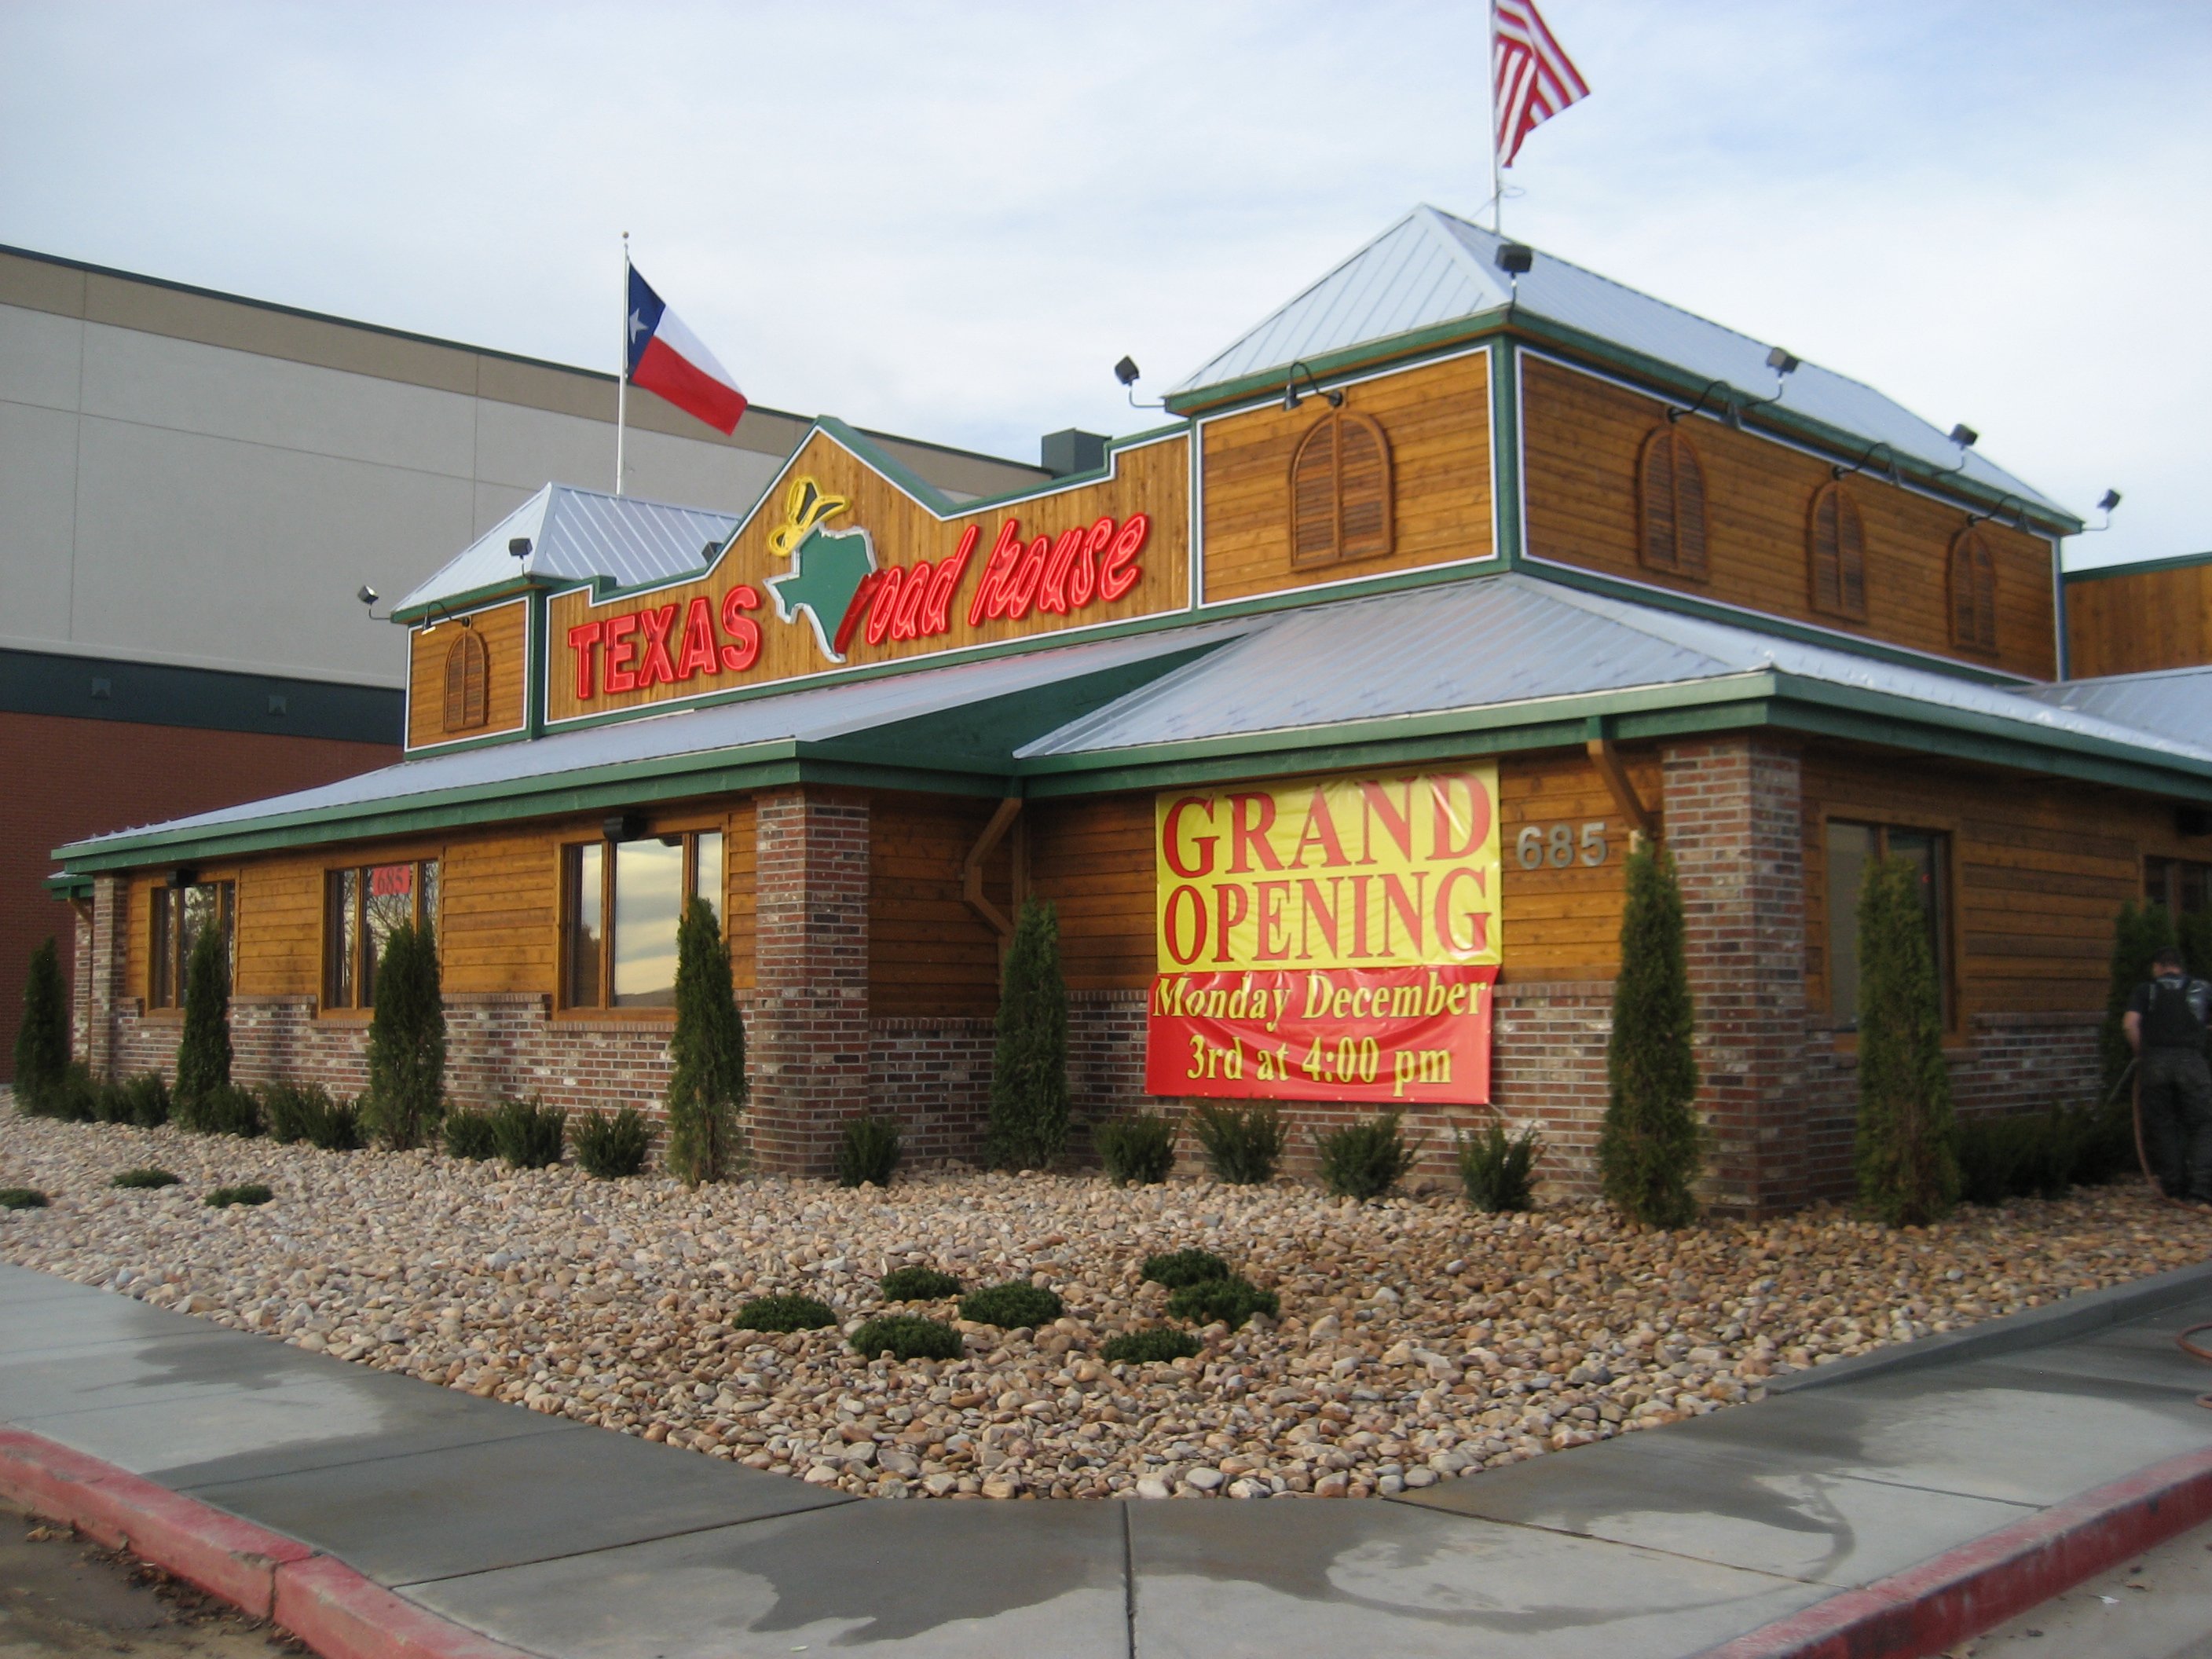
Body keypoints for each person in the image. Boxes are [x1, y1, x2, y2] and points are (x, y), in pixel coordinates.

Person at [2125, 947, 2212, 1203]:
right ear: (2180, 966)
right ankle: (2201, 1189)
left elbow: (2130, 1024)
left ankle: (2173, 1188)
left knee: (2162, 1124)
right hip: (2191, 1063)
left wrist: (2141, 1054)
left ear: (2157, 967)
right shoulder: (2202, 989)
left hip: (2155, 1064)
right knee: (2204, 1124)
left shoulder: (2146, 990)